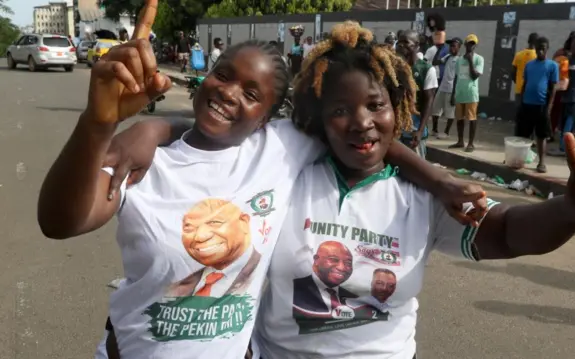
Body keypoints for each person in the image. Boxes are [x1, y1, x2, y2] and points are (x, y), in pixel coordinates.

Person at [39, 13, 489, 359]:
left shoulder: (280, 148)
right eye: (223, 74)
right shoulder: (150, 161)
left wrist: (439, 179)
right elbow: (61, 222)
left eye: (253, 94)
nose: (230, 93)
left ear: (270, 116)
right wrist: (101, 125)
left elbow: (367, 136)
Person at [250, 22, 575, 359]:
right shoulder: (289, 177)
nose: (361, 122)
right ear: (320, 119)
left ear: (396, 108)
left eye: (375, 105)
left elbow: (509, 232)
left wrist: (572, 208)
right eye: (340, 110)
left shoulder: (424, 194)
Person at [517, 36, 558, 173]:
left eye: (543, 49)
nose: (540, 51)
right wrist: (522, 101)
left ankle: (541, 162)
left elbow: (552, 88)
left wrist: (549, 107)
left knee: (541, 136)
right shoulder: (529, 65)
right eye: (538, 48)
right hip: (527, 104)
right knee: (524, 135)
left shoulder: (552, 66)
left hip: (541, 105)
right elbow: (525, 84)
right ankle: (519, 159)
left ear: (547, 49)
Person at [396, 29, 438, 158]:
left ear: (416, 46)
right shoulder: (395, 68)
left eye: (406, 42)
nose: (401, 45)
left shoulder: (426, 69)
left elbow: (429, 101)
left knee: (416, 169)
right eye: (399, 42)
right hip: (396, 130)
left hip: (414, 130)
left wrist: (420, 130)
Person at [450, 34, 484, 153]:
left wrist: (470, 61)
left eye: (473, 44)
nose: (471, 46)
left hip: (471, 94)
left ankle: (470, 143)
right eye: (469, 43)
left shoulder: (479, 59)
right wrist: (453, 93)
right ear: (465, 44)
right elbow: (456, 77)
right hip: (460, 93)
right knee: (459, 119)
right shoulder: (459, 60)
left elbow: (475, 76)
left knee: (471, 118)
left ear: (475, 45)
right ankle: (460, 141)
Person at [432, 37, 461, 139]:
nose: (451, 48)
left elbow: (457, 77)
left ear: (459, 47)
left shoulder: (459, 60)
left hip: (451, 89)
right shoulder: (448, 56)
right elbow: (435, 62)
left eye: (454, 46)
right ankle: (434, 130)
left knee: (450, 113)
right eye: (450, 46)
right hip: (442, 87)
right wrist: (439, 50)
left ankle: (446, 132)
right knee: (435, 109)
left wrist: (454, 94)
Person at [512, 32, 539, 104]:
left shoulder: (518, 55)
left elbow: (513, 72)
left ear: (528, 41)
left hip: (519, 89)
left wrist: (517, 82)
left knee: (519, 112)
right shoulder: (537, 56)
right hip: (531, 90)